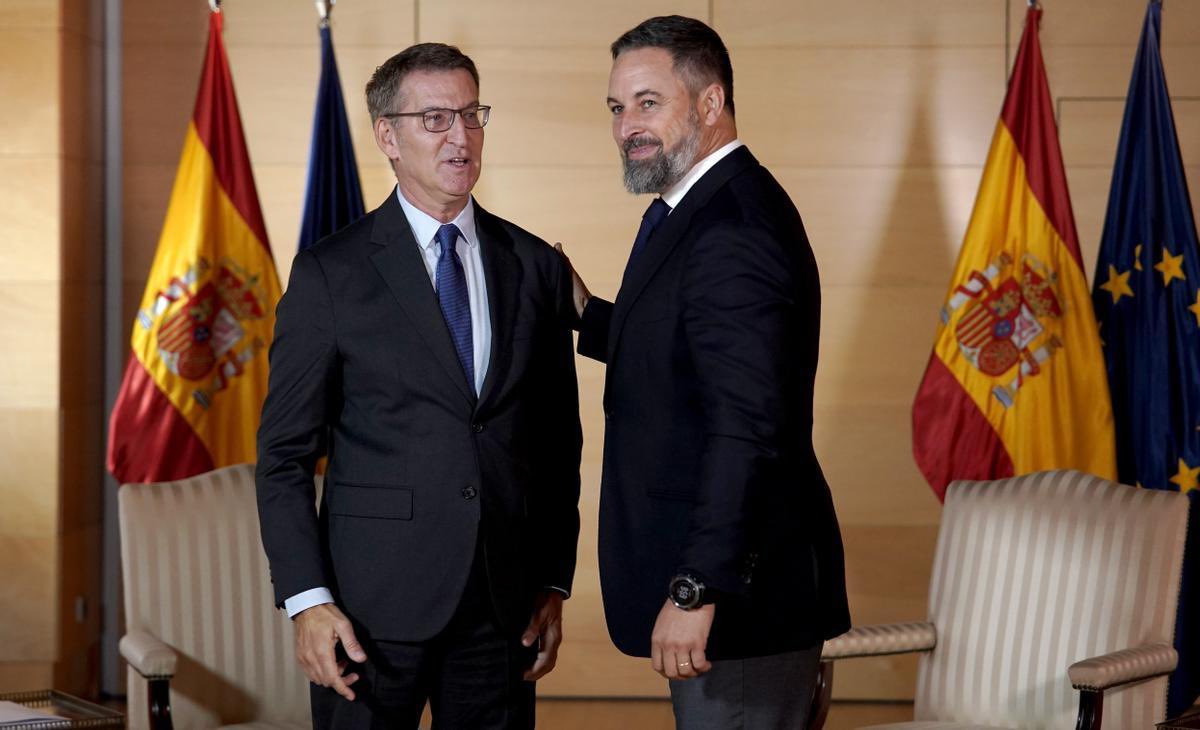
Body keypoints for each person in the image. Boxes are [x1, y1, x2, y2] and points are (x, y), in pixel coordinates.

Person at [256, 42, 582, 730]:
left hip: (503, 610)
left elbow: (557, 444)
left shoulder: (535, 266)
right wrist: (308, 600)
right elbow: (284, 455)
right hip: (366, 616)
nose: (460, 136)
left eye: (471, 114)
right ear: (388, 137)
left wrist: (553, 580)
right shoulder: (330, 274)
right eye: (435, 119)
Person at [557, 16, 851, 730]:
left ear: (711, 102)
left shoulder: (733, 226)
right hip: (725, 594)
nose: (627, 126)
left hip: (738, 603)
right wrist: (588, 313)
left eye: (648, 103)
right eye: (617, 107)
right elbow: (692, 358)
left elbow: (748, 427)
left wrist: (696, 588)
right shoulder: (694, 208)